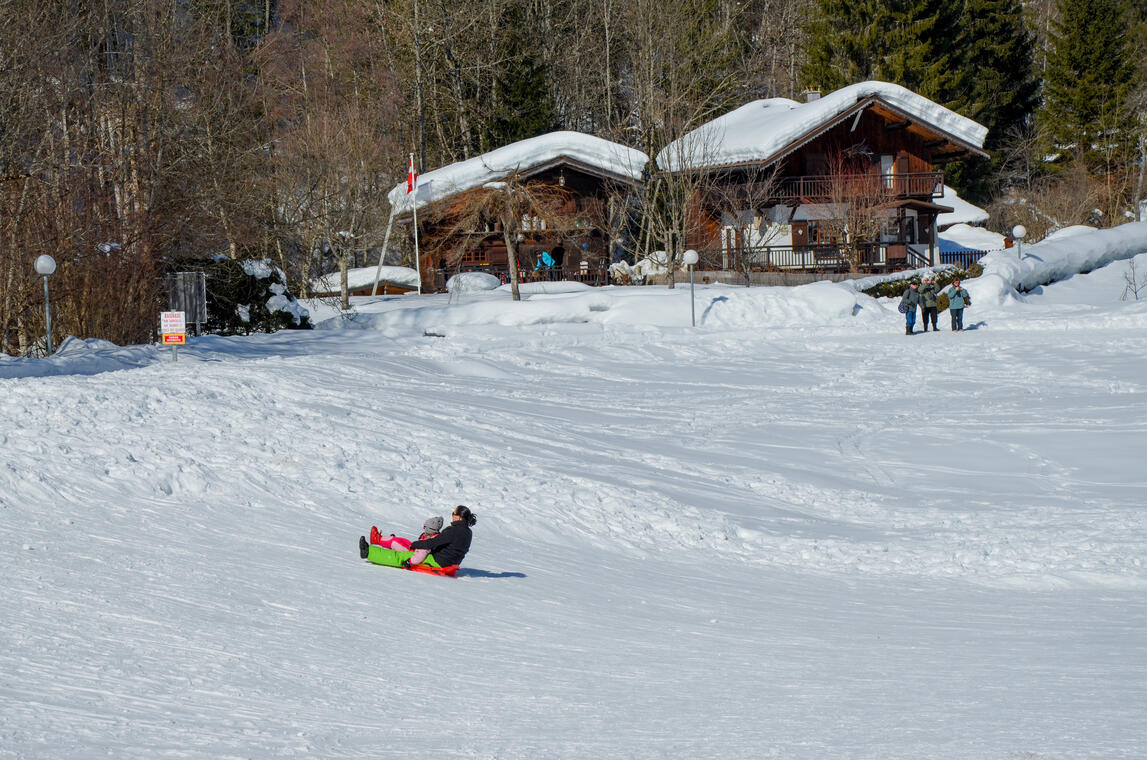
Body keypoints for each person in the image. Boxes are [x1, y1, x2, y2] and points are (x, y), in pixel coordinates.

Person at [359, 505, 477, 571]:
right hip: (450, 561)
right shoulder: (468, 532)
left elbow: (433, 543)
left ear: (458, 517)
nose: (452, 516)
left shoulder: (453, 530)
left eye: (453, 513)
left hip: (439, 561)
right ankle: (377, 543)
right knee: (407, 550)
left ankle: (368, 552)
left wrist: (415, 544)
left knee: (402, 556)